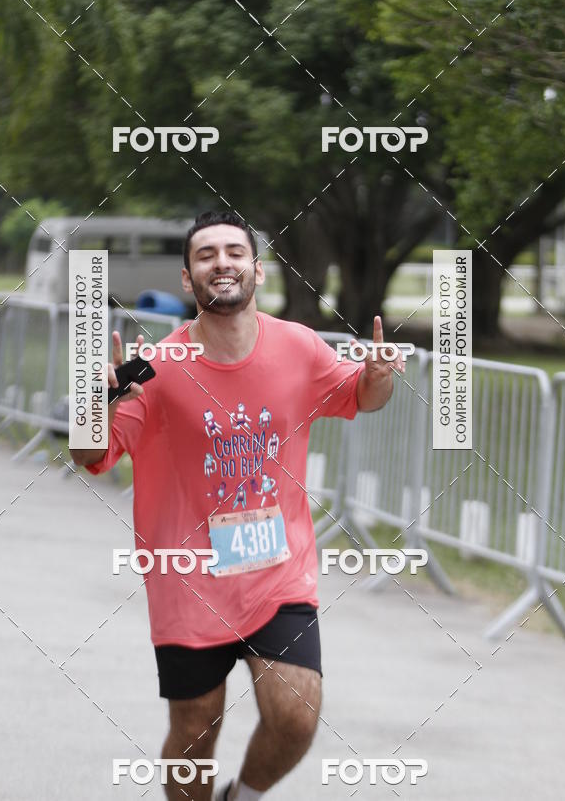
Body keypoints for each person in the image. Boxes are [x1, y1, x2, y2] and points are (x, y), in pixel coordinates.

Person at [70, 210, 405, 800]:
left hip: (277, 570)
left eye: (233, 252)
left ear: (256, 268)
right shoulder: (156, 368)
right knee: (196, 730)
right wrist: (93, 400)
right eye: (205, 255)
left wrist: (380, 375)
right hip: (188, 580)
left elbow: (361, 395)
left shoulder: (299, 347)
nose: (221, 262)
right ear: (186, 279)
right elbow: (91, 455)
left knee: (297, 714)